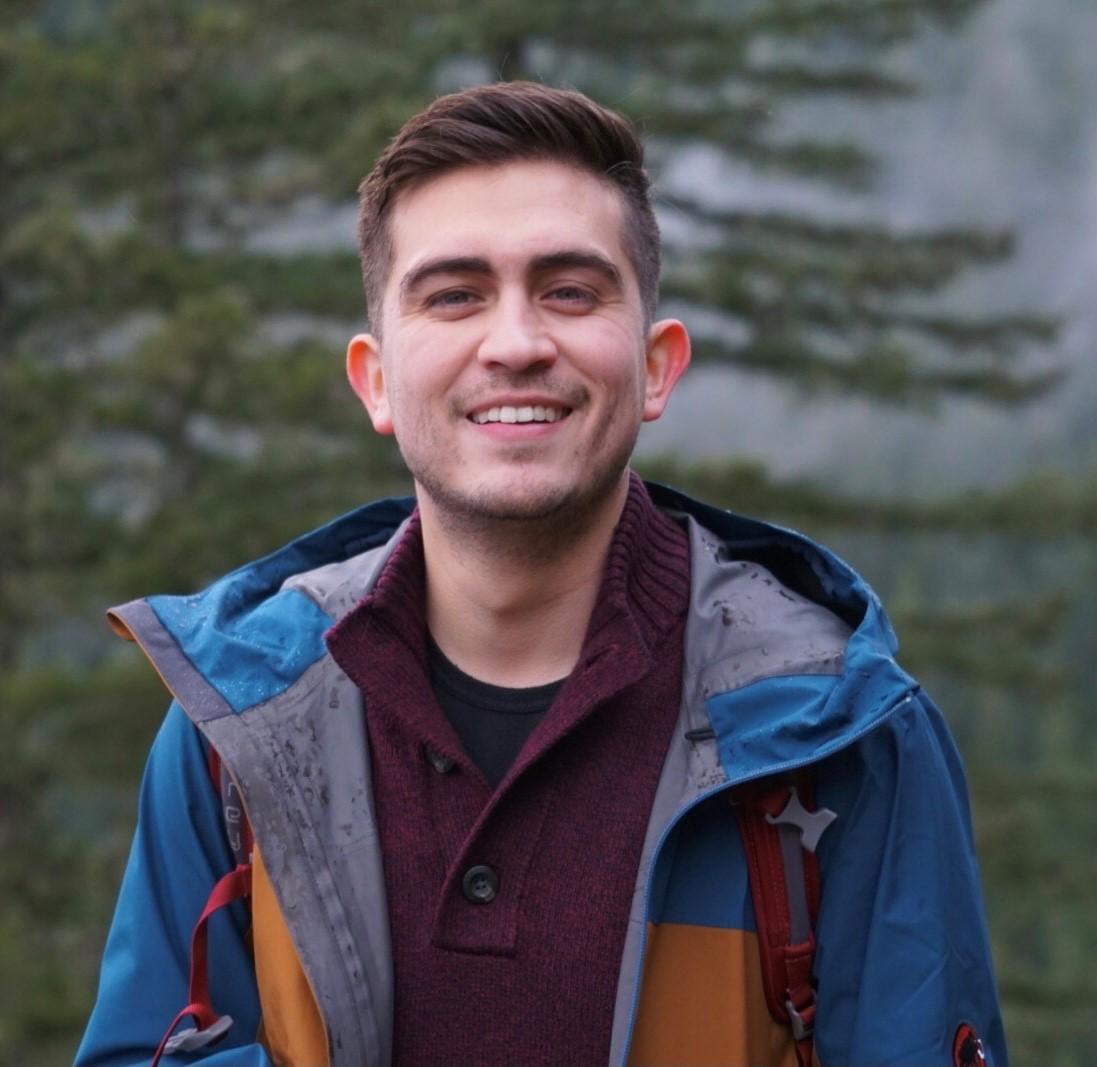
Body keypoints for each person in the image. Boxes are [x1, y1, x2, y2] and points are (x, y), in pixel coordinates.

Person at [77, 81, 1006, 1067]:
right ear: (376, 379)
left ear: (655, 366)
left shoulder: (838, 729)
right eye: (453, 295)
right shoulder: (240, 731)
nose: (515, 343)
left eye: (569, 290)